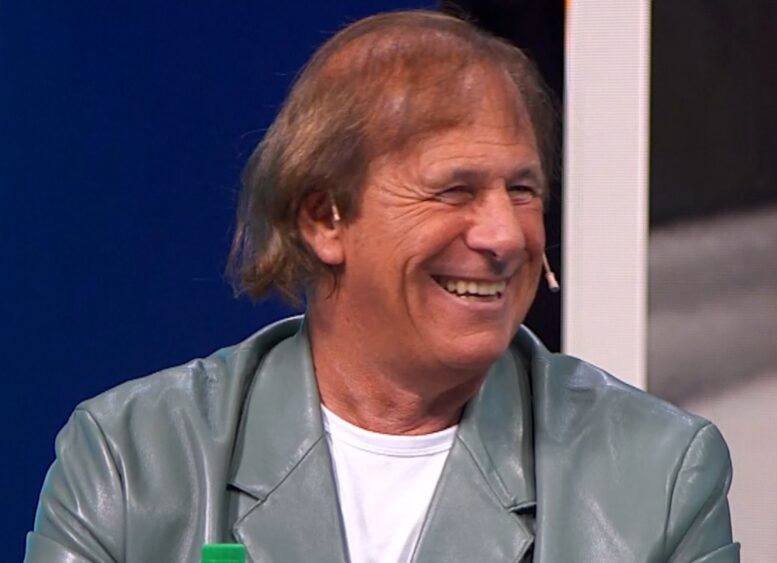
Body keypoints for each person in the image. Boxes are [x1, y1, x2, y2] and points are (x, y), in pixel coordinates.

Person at [25, 10, 738, 563]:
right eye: (455, 190)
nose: (506, 236)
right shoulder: (132, 461)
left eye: (522, 190)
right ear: (323, 218)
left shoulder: (658, 474)